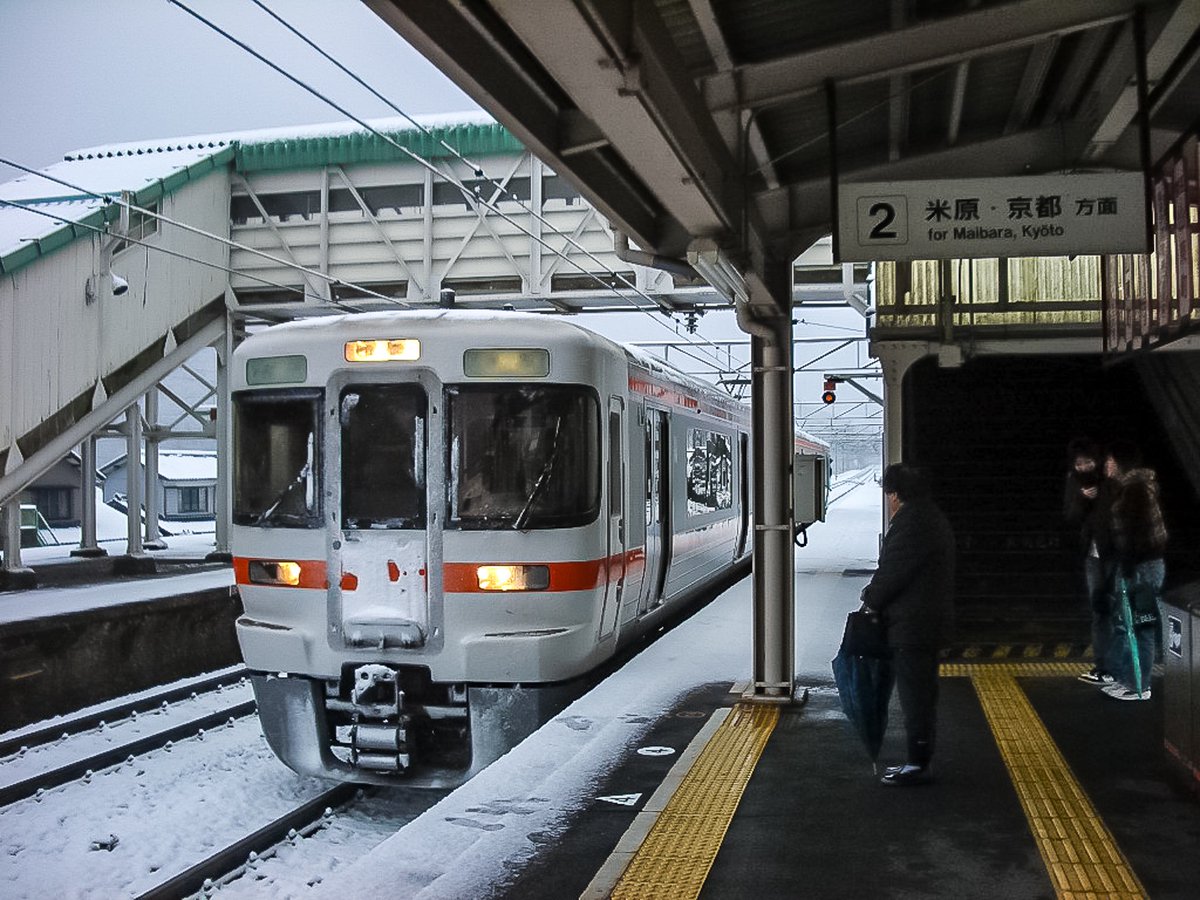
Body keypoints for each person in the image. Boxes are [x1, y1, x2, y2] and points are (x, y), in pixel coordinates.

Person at [862, 463, 956, 786]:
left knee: (915, 695)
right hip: (924, 622)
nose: (888, 501)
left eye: (889, 494)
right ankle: (920, 756)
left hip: (913, 626)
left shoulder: (912, 523)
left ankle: (917, 763)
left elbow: (893, 572)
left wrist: (870, 598)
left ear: (896, 495)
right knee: (922, 692)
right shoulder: (929, 516)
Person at [1101, 441, 1167, 701]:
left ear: (1120, 462)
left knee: (1141, 626)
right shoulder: (1127, 488)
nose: (1106, 465)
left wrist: (1129, 567)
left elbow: (1139, 533)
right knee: (1129, 625)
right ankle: (1128, 679)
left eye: (1110, 460)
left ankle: (1140, 686)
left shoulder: (1135, 489)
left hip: (1142, 566)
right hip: (1138, 564)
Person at [1063, 438, 1115, 686]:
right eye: (1079, 463)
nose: (1083, 467)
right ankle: (1102, 665)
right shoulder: (1073, 481)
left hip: (1115, 554)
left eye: (1088, 462)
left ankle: (1120, 665)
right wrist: (1082, 498)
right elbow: (1070, 516)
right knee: (1099, 611)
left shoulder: (1110, 481)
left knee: (1118, 610)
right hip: (1092, 555)